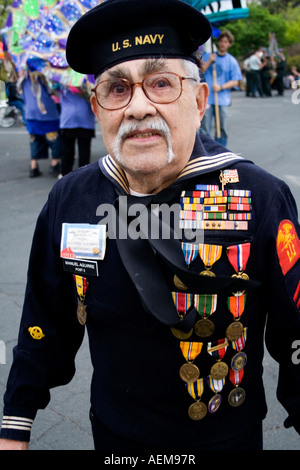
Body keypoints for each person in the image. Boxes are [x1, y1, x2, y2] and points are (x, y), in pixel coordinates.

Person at [1, 0, 300, 452]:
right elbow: (43, 322)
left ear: (199, 101)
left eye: (161, 83)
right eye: (116, 89)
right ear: (98, 109)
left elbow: (296, 334)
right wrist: (14, 426)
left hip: (226, 437)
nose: (138, 107)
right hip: (113, 436)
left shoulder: (260, 196)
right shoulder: (72, 197)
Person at [200, 30, 242, 147]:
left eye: (226, 42)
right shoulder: (209, 56)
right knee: (204, 129)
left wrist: (221, 87)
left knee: (221, 127)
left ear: (229, 44)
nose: (223, 44)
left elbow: (236, 81)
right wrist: (210, 61)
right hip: (208, 99)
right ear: (218, 42)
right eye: (221, 41)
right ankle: (206, 151)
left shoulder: (231, 61)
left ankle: (221, 150)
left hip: (222, 99)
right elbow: (201, 70)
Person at [20, 62, 62, 178]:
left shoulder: (22, 76)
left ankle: (33, 166)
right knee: (54, 140)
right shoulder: (45, 75)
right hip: (48, 114)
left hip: (31, 114)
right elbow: (55, 89)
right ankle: (54, 164)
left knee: (34, 140)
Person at [59, 85, 95, 176]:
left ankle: (65, 175)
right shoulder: (86, 80)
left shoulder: (61, 77)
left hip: (68, 119)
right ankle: (83, 176)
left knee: (67, 150)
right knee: (84, 151)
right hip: (85, 119)